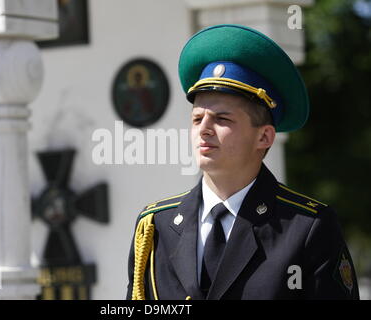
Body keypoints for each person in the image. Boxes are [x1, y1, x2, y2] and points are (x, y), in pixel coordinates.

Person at [126, 24, 359, 300]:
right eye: (197, 119)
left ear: (264, 137)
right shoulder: (156, 225)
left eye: (222, 119)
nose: (204, 129)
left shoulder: (306, 226)